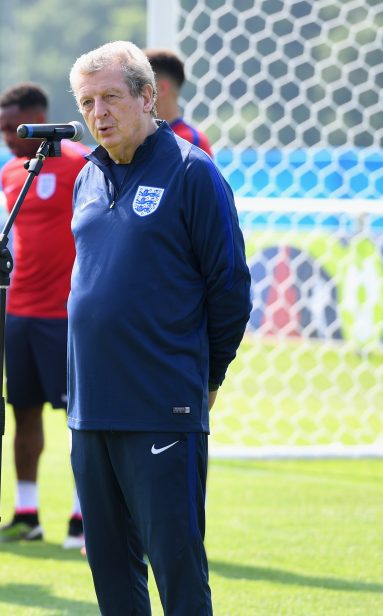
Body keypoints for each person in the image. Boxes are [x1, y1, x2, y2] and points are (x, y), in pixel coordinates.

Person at [67, 41, 250, 614]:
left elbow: (230, 290)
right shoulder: (87, 177)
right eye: (88, 101)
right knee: (110, 572)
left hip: (161, 404)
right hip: (91, 408)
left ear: (148, 97)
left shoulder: (193, 173)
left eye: (112, 97)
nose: (99, 113)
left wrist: (208, 375)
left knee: (175, 564)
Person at [0, 82, 87, 549]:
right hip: (19, 310)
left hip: (65, 315)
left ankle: (83, 517)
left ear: (38, 117)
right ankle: (26, 512)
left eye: (12, 129)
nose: (6, 139)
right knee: (22, 414)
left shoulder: (81, 164)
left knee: (77, 419)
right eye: (0, 131)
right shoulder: (9, 173)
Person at [144, 48, 213, 157]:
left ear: (161, 88)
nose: (134, 91)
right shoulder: (137, 138)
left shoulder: (191, 143)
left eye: (139, 84)